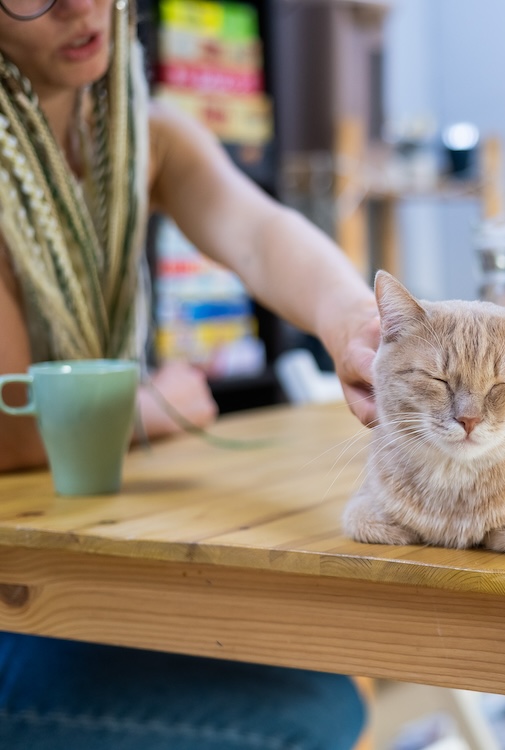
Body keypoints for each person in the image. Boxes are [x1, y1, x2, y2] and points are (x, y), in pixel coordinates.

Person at [0, 0, 378, 745]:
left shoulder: (143, 131)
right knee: (310, 716)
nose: (78, 6)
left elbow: (259, 231)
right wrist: (157, 405)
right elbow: (13, 436)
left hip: (47, 570)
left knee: (316, 673)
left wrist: (354, 322)